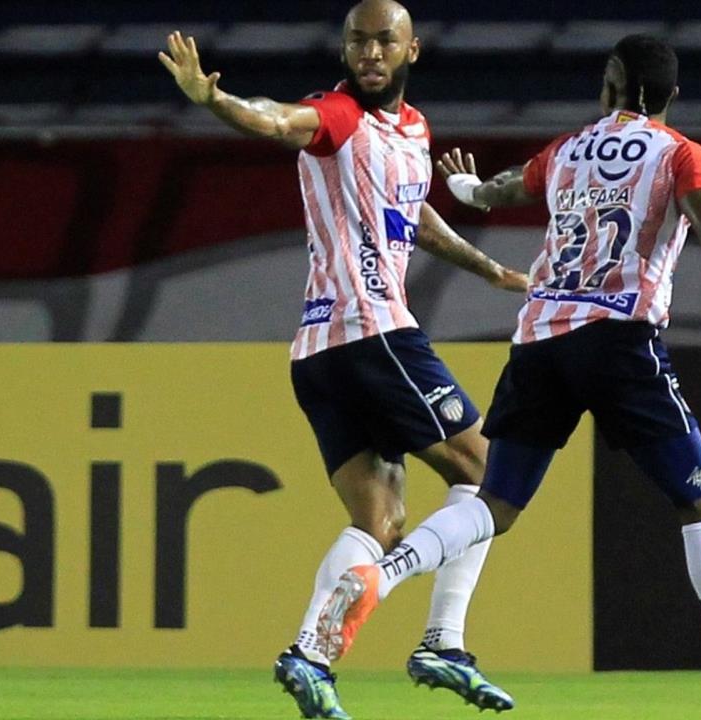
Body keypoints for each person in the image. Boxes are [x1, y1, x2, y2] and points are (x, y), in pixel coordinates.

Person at [316, 34, 701, 719]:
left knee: (495, 503)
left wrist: (462, 185)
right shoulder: (682, 155)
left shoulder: (566, 151)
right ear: (670, 97)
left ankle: (381, 572)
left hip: (539, 343)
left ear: (608, 87)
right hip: (620, 341)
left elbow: (494, 191)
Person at [158, 3, 525, 718]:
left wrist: (488, 269)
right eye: (358, 40)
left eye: (384, 40)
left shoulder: (412, 131)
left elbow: (416, 217)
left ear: (412, 47)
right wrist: (217, 101)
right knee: (490, 472)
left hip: (321, 353)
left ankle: (310, 657)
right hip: (372, 332)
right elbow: (275, 120)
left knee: (380, 516)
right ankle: (442, 641)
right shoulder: (336, 116)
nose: (370, 52)